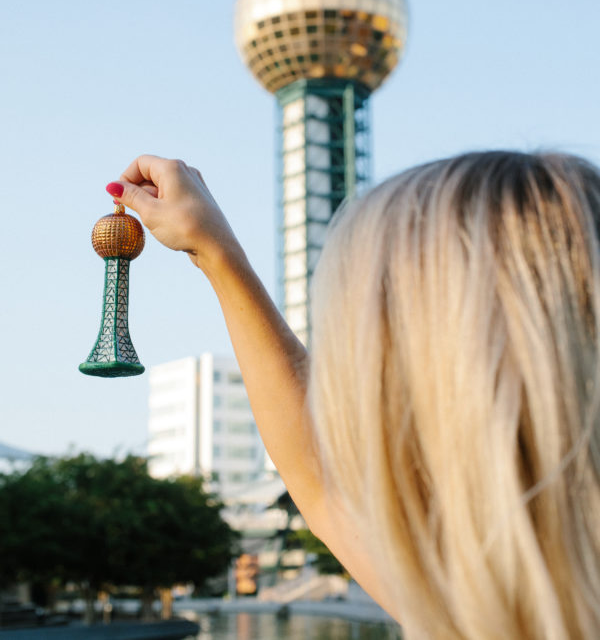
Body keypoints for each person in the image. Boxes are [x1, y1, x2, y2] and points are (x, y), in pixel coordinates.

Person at [106, 150, 600, 640]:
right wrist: (212, 251)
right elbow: (319, 472)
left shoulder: (476, 607)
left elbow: (320, 476)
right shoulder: (494, 595)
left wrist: (215, 252)